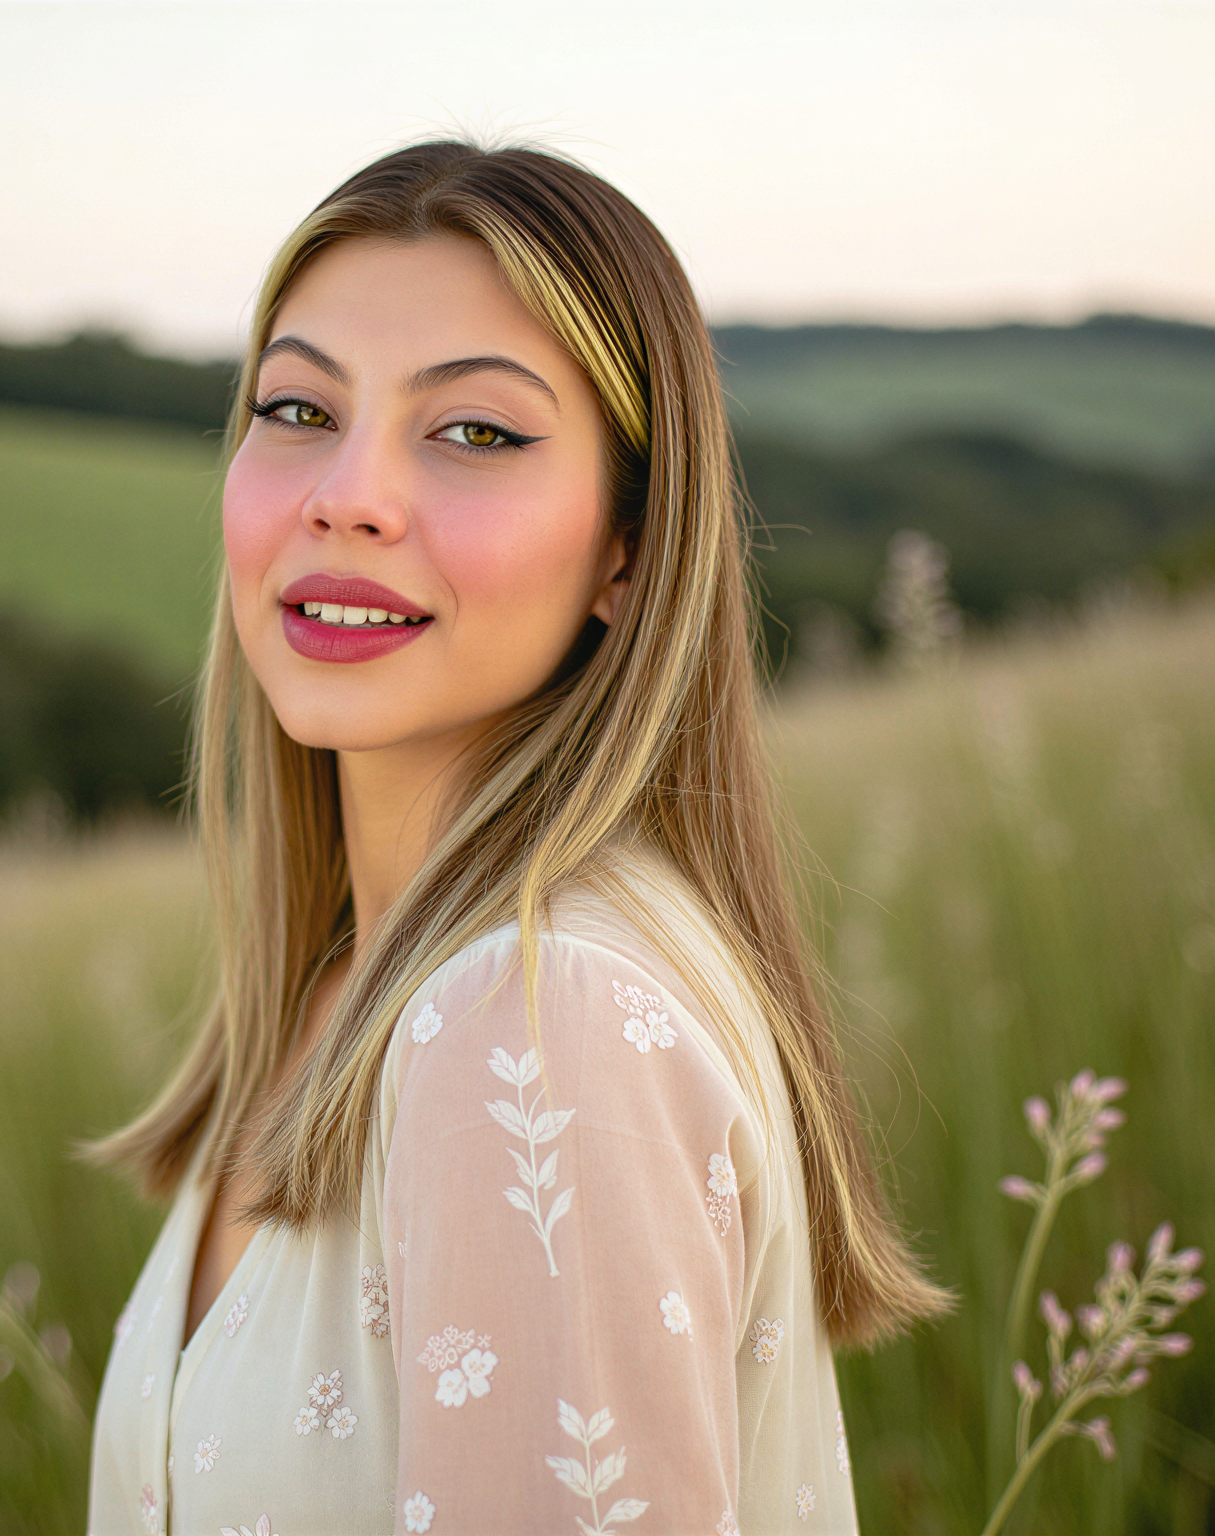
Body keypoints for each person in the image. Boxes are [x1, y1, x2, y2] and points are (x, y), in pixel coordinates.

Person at [84, 140, 948, 1536]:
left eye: (475, 431)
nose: (346, 492)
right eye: (297, 407)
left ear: (627, 549)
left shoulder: (537, 1022)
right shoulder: (351, 991)